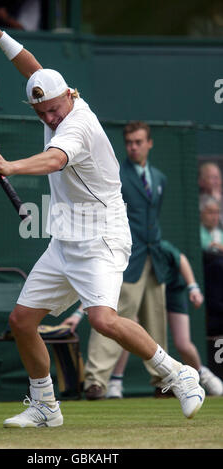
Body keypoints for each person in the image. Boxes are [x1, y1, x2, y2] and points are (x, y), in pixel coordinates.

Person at [0, 19, 205, 428]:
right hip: (65, 239)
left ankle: (180, 374)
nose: (49, 117)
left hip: (102, 236)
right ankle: (46, 406)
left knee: (103, 319)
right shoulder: (52, 97)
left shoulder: (78, 124)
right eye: (41, 111)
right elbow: (34, 70)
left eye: (54, 108)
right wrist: (2, 39)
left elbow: (55, 159)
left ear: (70, 95)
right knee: (21, 322)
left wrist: (10, 166)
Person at [83, 121, 169, 400]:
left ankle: (163, 380)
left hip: (153, 260)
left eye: (139, 142)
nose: (133, 147)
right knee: (110, 318)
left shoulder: (159, 178)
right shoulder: (117, 174)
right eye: (129, 142)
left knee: (156, 322)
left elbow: (152, 219)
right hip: (126, 259)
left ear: (149, 143)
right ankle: (95, 382)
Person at [105, 241, 223, 398]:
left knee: (183, 343)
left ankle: (202, 375)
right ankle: (116, 382)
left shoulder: (160, 246)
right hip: (142, 292)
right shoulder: (123, 251)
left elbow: (181, 260)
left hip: (173, 292)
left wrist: (193, 287)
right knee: (127, 331)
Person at [200, 195, 223, 336]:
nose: (214, 216)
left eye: (217, 212)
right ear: (202, 213)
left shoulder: (220, 233)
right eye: (210, 212)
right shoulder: (198, 233)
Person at [198, 162, 223, 227]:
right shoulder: (198, 202)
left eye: (218, 177)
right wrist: (215, 200)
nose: (216, 181)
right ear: (201, 181)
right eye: (212, 177)